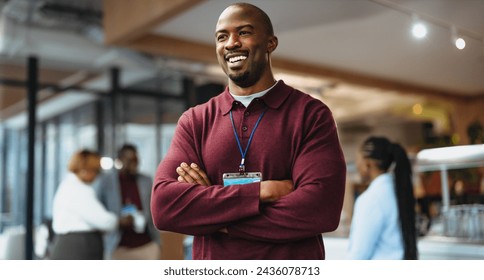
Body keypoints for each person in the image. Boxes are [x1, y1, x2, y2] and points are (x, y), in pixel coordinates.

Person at [151, 2, 346, 260]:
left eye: (243, 32)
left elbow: (320, 209)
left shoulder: (310, 114)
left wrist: (217, 219)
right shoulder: (195, 120)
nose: (231, 43)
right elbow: (165, 207)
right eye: (222, 36)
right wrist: (262, 192)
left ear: (270, 43)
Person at [348, 136, 418, 260]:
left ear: (367, 163)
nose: (357, 165)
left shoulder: (371, 198)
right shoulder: (397, 190)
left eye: (357, 160)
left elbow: (358, 255)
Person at [95, 144, 160, 259]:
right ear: (120, 160)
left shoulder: (146, 180)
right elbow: (98, 209)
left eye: (136, 160)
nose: (134, 164)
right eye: (129, 160)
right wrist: (117, 221)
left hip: (146, 244)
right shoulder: (106, 182)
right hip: (118, 246)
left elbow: (155, 207)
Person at [50, 150, 117, 260]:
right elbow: (104, 221)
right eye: (95, 171)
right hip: (76, 249)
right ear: (85, 170)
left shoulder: (70, 186)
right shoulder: (77, 189)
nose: (96, 176)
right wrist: (117, 220)